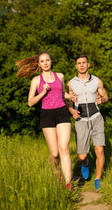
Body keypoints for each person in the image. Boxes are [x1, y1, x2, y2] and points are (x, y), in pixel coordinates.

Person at [15, 51, 76, 191]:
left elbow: (61, 94)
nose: (45, 63)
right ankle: (57, 171)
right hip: (47, 114)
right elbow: (30, 102)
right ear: (39, 64)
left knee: (64, 148)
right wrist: (42, 92)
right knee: (54, 153)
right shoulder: (36, 80)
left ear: (51, 61)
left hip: (62, 113)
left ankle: (68, 184)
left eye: (47, 60)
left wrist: (70, 97)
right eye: (42, 61)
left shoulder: (60, 76)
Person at [67, 54, 109, 190]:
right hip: (81, 120)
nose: (81, 65)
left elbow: (105, 96)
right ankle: (85, 163)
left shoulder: (97, 81)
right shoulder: (71, 83)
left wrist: (102, 100)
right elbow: (68, 100)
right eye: (79, 63)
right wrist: (72, 111)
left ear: (88, 64)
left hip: (96, 117)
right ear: (76, 66)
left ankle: (98, 179)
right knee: (81, 156)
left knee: (99, 149)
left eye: (84, 62)